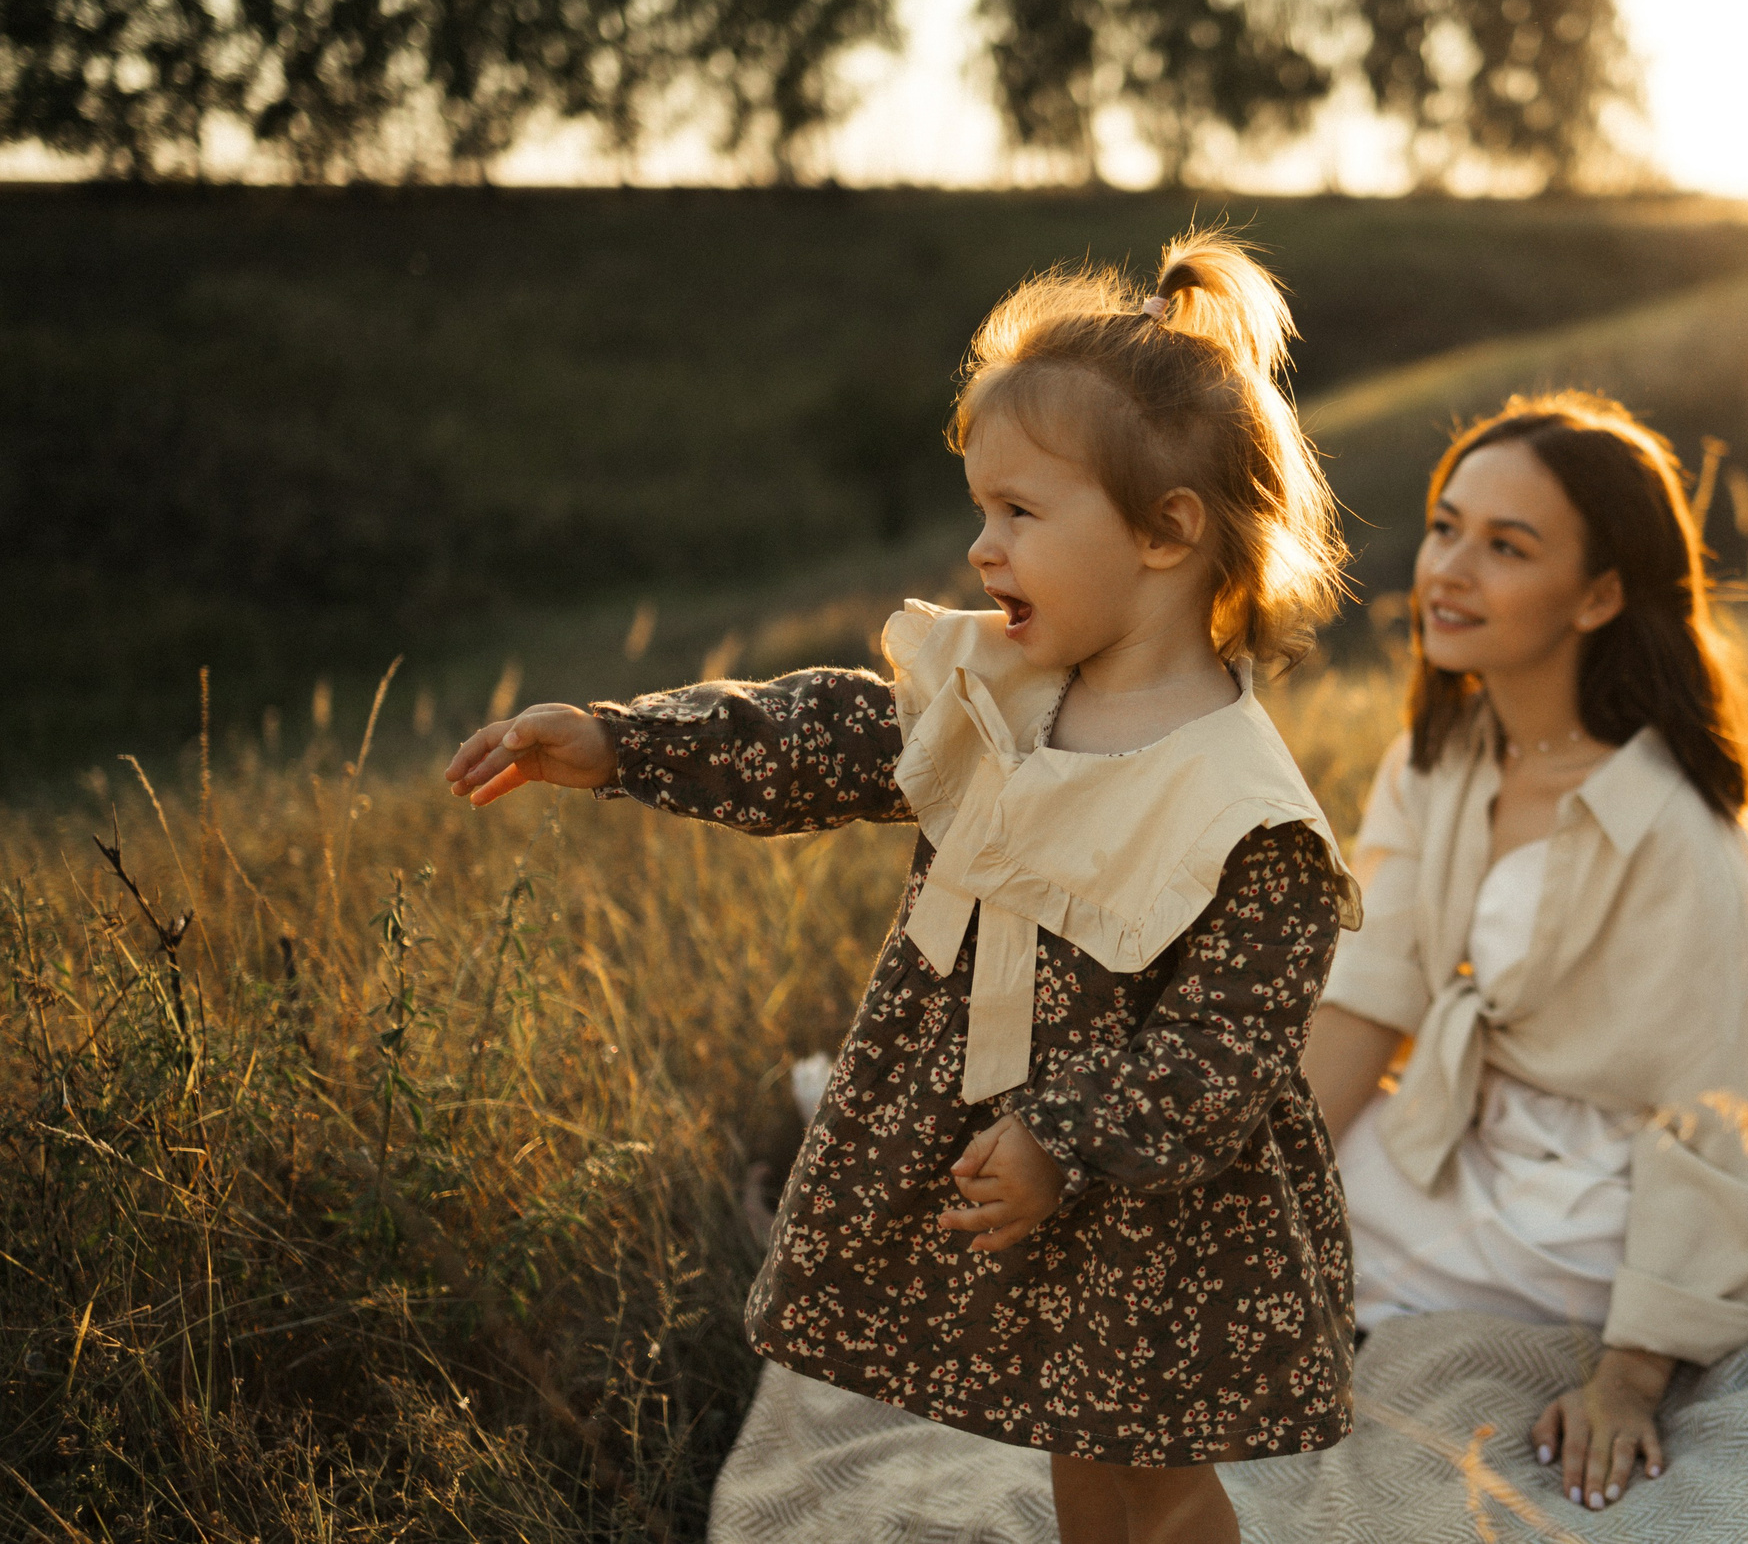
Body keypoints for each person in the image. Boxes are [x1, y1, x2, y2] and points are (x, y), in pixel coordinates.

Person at [446, 233, 1362, 1544]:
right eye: (982, 508)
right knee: (1068, 1428)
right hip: (1015, 1169)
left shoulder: (1243, 809)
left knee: (1150, 1469)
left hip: (1149, 1209)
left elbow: (1223, 1049)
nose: (983, 549)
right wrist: (624, 740)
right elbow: (826, 735)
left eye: (1022, 513)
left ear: (1168, 530)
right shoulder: (1001, 686)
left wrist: (1064, 1135)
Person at [1301, 391, 1748, 1517]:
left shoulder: (1674, 829)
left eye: (1505, 546)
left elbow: (1728, 1105)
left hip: (1601, 1200)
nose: (1449, 569)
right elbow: (1364, 1000)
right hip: (1464, 1128)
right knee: (1218, 1213)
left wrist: (1631, 1377)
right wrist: (1261, 1180)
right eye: (1446, 528)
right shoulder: (1437, 757)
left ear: (1598, 594)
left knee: (1278, 1266)